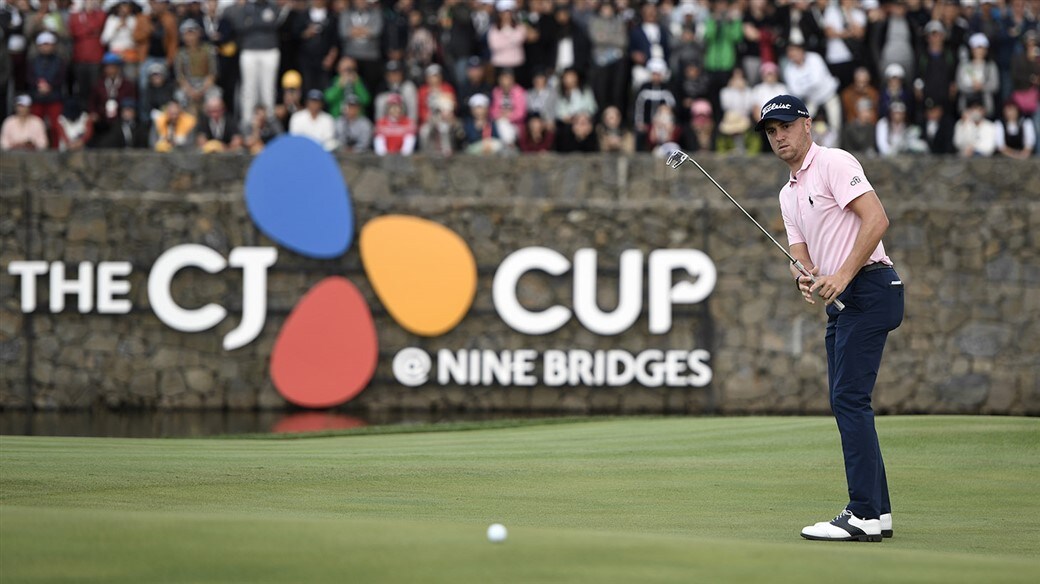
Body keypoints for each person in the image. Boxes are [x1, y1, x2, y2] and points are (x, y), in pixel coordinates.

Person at [756, 94, 902, 543]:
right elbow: (802, 259)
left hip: (873, 288)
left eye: (785, 125)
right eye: (770, 130)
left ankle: (860, 513)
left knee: (849, 399)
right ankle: (878, 512)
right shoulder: (788, 194)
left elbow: (877, 220)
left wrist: (841, 273)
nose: (779, 135)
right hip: (843, 300)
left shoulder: (835, 163)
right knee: (848, 401)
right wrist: (805, 278)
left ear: (807, 124)